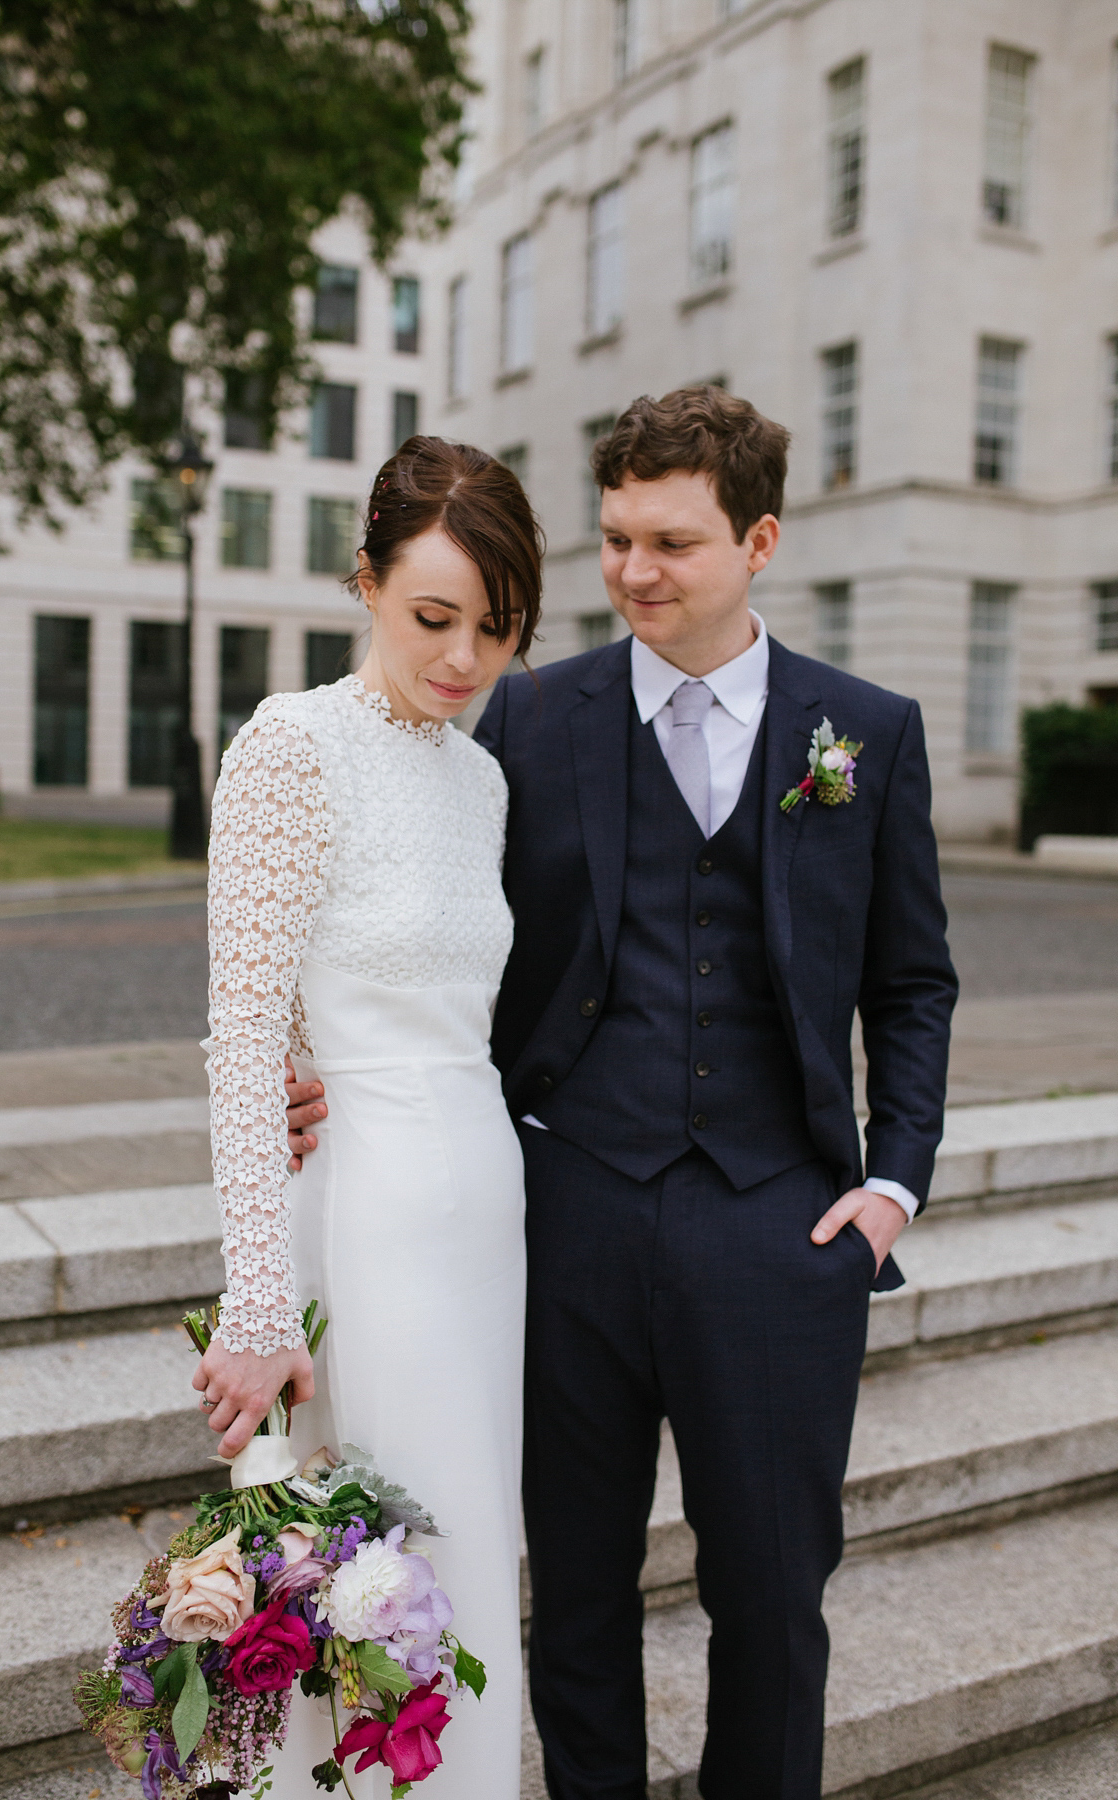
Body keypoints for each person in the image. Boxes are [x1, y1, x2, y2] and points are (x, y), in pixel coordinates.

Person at [287, 384, 957, 1800]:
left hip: (783, 1233)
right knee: (576, 1598)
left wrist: (891, 1185)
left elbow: (912, 984)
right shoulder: (528, 719)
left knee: (774, 1605)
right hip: (568, 1217)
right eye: (617, 540)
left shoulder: (867, 734)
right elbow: (422, 912)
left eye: (673, 542)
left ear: (759, 541)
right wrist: (340, 1069)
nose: (636, 572)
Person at [192, 436, 543, 1799]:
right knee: (367, 1584)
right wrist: (261, 1303)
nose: (464, 661)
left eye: (497, 632)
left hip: (484, 1211)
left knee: (465, 1562)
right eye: (434, 619)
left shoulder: (483, 778)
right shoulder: (294, 744)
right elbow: (242, 1031)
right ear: (365, 583)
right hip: (370, 1216)